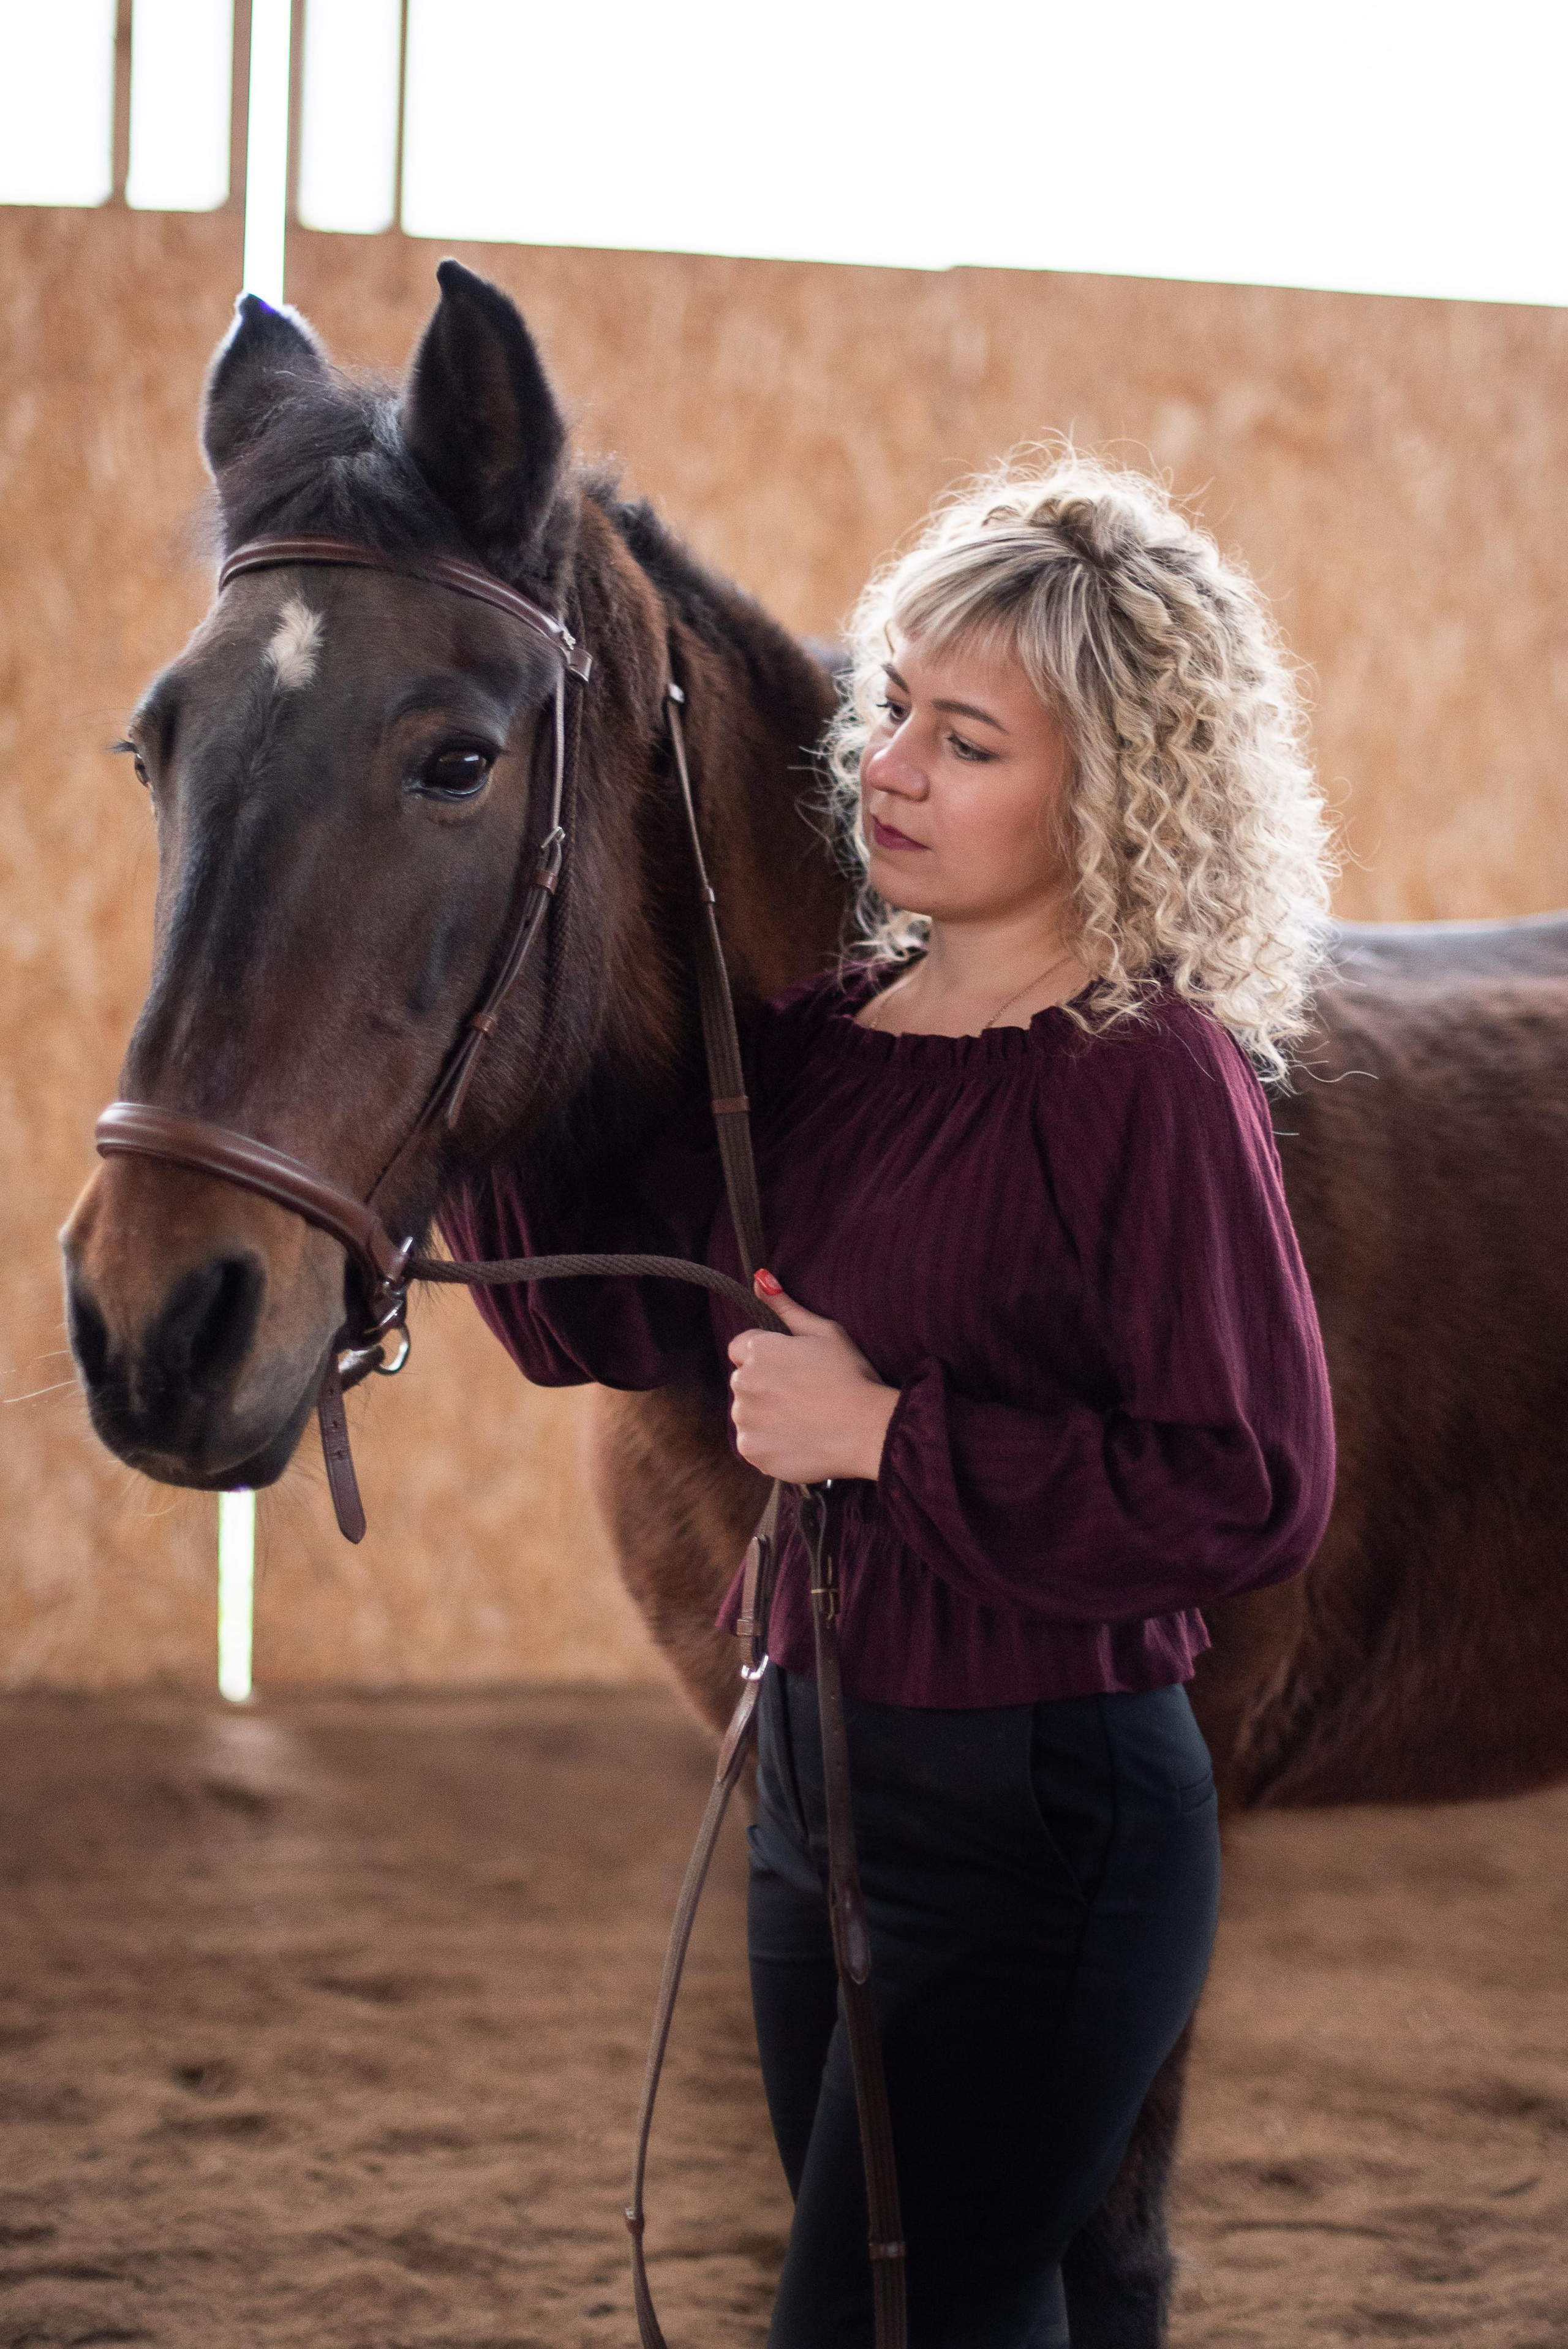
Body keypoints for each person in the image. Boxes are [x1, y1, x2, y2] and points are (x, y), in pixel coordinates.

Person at [445, 455, 1338, 2346]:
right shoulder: (826, 1049)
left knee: (863, 2322)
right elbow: (598, 1310)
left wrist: (887, 1437)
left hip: (1048, 1820)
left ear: (1112, 785)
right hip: (819, 1794)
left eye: (969, 740)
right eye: (895, 709)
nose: (892, 767)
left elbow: (1248, 1485)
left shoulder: (1151, 1079)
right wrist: (448, 1075)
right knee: (938, 2306)